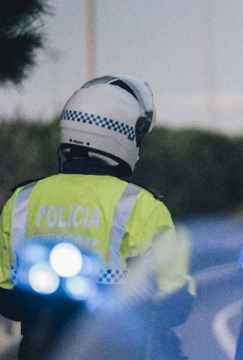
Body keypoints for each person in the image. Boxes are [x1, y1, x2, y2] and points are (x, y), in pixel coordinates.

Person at [0, 75, 195, 359]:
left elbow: (7, 297)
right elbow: (176, 302)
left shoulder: (22, 201)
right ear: (121, 135)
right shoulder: (140, 206)